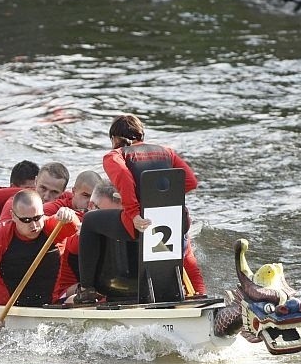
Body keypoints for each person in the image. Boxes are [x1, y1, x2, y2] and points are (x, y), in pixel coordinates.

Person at [77, 114, 206, 299]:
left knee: (89, 221)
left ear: (114, 139)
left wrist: (134, 213)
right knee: (182, 239)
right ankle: (193, 290)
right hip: (178, 222)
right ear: (141, 136)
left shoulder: (115, 155)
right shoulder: (167, 151)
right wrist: (158, 199)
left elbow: (124, 178)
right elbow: (190, 181)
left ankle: (87, 290)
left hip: (142, 223)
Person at [0, 189, 79, 332]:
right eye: (26, 220)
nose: (34, 226)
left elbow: (73, 227)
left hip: (50, 306)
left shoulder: (53, 227)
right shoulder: (0, 236)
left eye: (37, 218)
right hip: (9, 311)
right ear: (13, 216)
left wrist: (69, 215)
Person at [53, 181, 123, 304]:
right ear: (91, 206)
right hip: (68, 295)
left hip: (108, 288)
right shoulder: (79, 230)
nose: (112, 222)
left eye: (118, 216)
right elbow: (75, 245)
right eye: (106, 216)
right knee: (95, 294)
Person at [0, 162, 70, 221]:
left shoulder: (70, 201)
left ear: (63, 191)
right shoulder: (14, 203)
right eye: (43, 188)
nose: (46, 197)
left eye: (54, 192)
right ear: (36, 181)